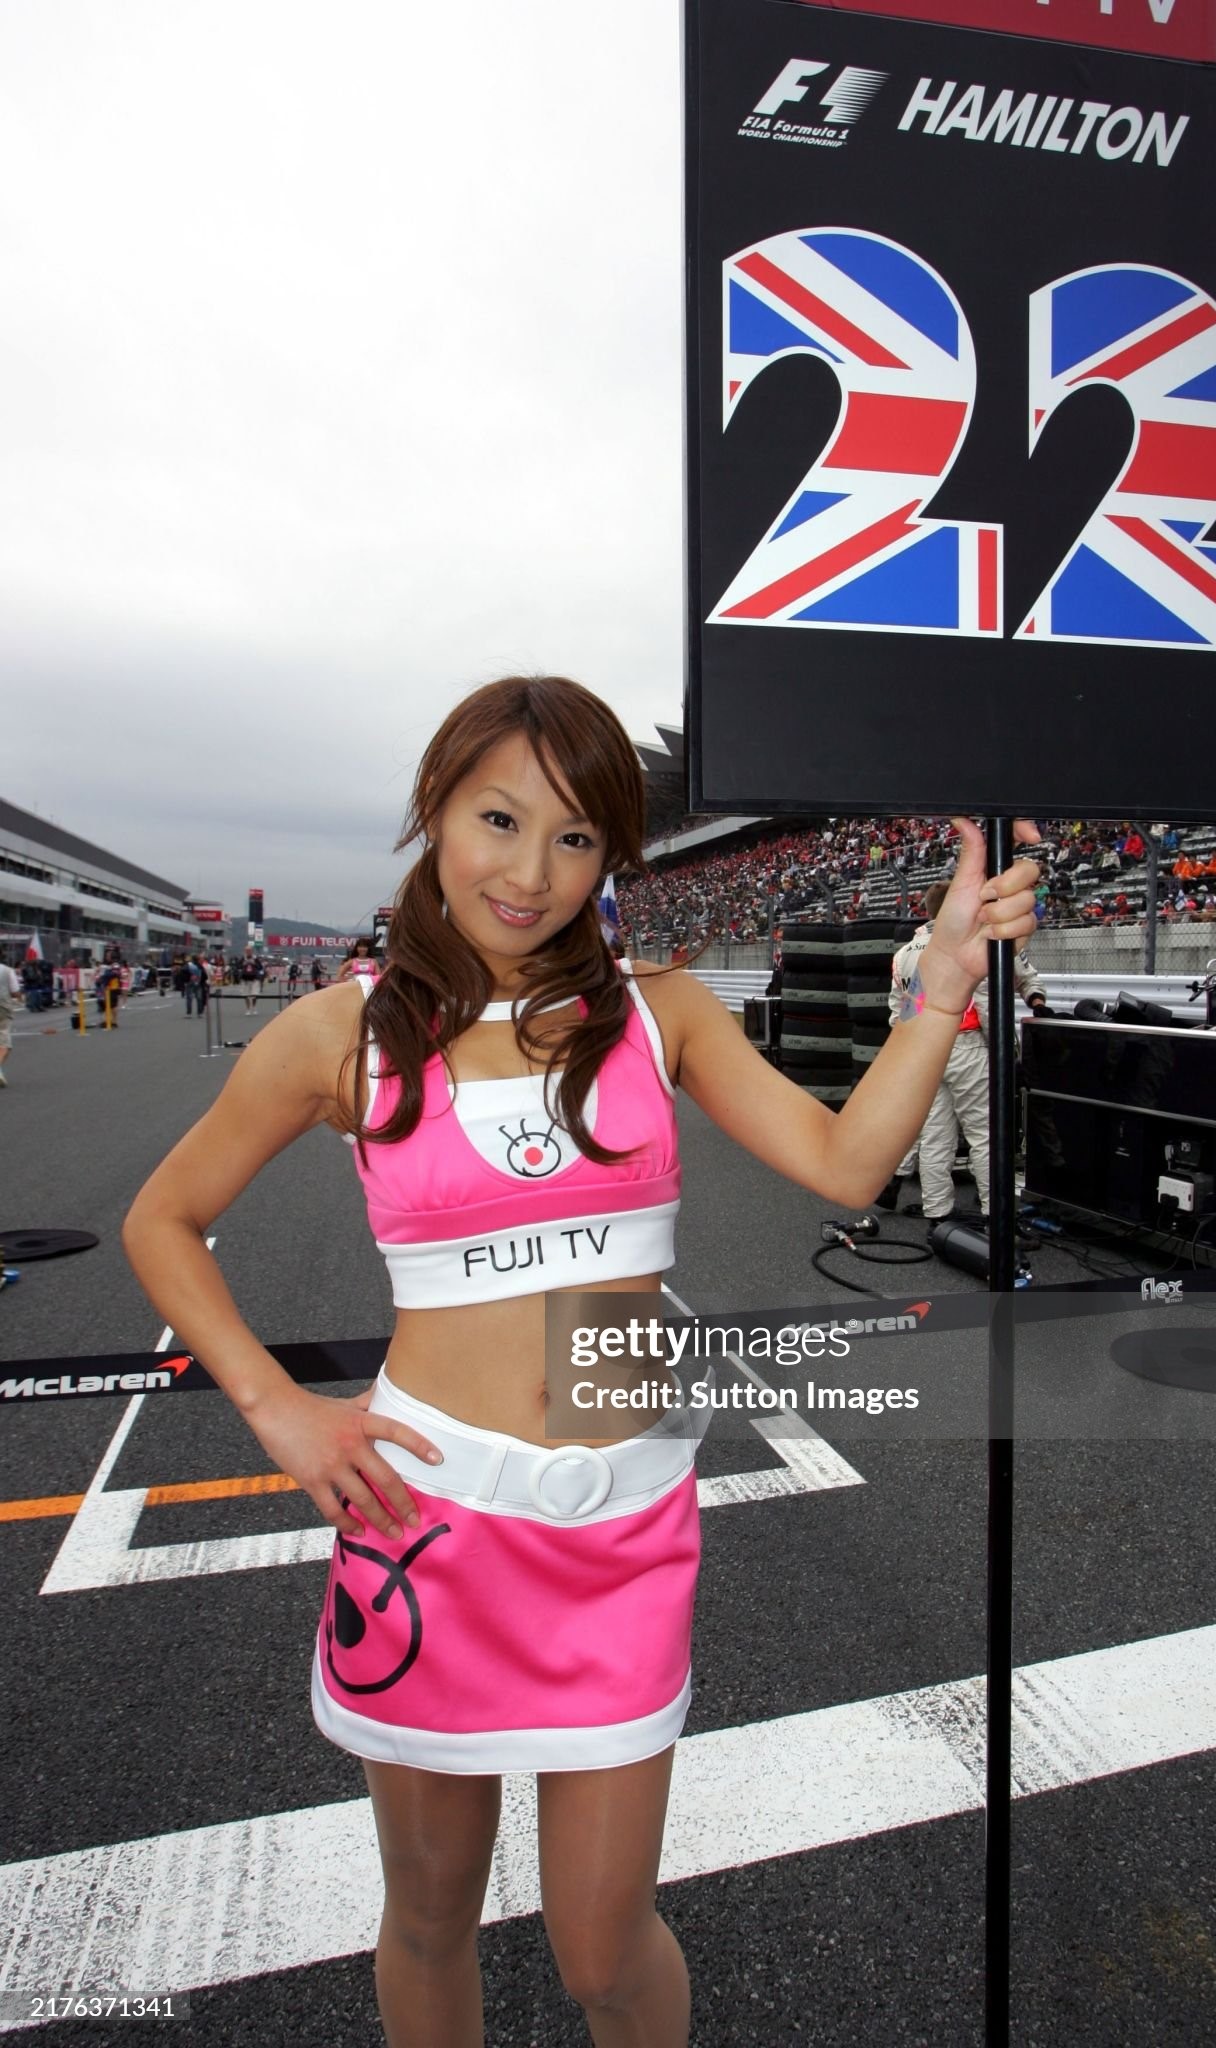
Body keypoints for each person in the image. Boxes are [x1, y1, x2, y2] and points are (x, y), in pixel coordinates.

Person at [123, 675, 1039, 2047]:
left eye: (574, 838)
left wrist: (945, 982)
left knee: (604, 1948)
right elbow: (163, 1219)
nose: (529, 870)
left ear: (613, 853)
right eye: (498, 819)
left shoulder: (657, 1009)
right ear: (434, 810)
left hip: (624, 1534)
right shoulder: (343, 1033)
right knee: (430, 1919)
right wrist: (280, 1411)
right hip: (430, 1520)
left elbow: (848, 1163)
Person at [878, 877, 1046, 1224]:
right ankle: (995, 1213)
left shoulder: (904, 954)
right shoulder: (973, 944)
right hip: (967, 1045)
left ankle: (937, 1213)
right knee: (985, 1133)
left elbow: (898, 1012)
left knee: (936, 1134)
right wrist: (1005, 1050)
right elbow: (987, 1004)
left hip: (925, 1050)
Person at [0, 956, 20, 1086]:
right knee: (4, 1042)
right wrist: (20, 998)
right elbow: (14, 991)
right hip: (2, 1007)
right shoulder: (7, 970)